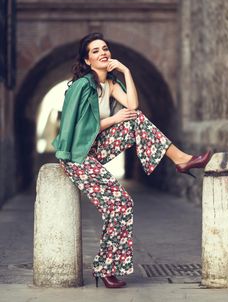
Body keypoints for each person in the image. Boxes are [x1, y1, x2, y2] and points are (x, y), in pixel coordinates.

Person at [52, 32, 211, 288]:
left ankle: (181, 159)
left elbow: (134, 106)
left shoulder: (112, 83)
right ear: (87, 60)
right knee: (121, 203)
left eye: (105, 48)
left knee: (135, 119)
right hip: (77, 155)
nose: (103, 52)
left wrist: (126, 71)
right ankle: (106, 268)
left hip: (96, 149)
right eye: (95, 51)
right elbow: (75, 125)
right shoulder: (82, 85)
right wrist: (112, 120)